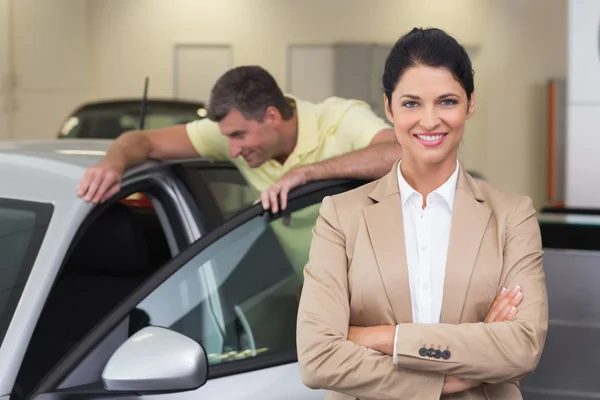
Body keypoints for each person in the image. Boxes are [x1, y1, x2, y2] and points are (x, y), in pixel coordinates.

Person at [296, 27, 548, 399]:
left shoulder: (513, 215)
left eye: (447, 101)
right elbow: (318, 357)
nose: (430, 121)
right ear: (388, 107)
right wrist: (456, 373)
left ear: (470, 104)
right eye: (411, 103)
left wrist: (383, 337)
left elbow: (522, 346)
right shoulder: (340, 216)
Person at [76, 65, 402, 214]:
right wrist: (112, 163)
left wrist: (305, 173)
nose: (232, 149)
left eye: (239, 135)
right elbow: (142, 141)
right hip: (306, 290)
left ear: (272, 117)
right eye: (227, 138)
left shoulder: (339, 119)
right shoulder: (238, 141)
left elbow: (397, 153)